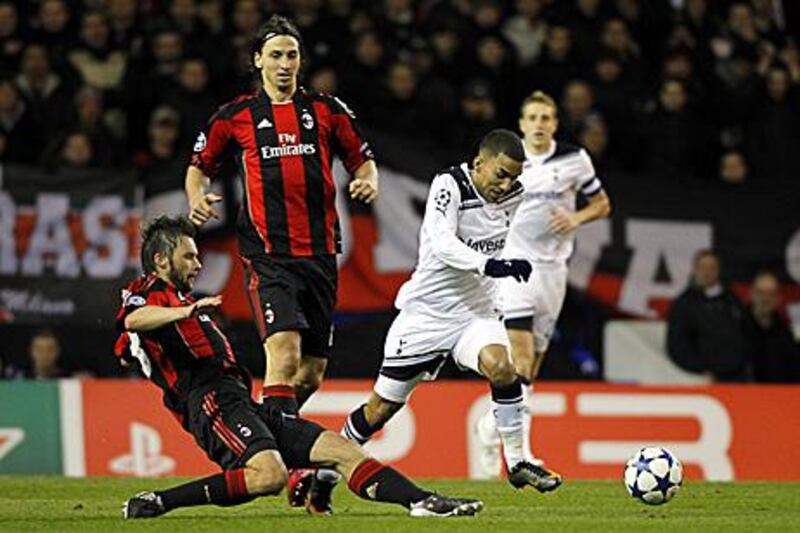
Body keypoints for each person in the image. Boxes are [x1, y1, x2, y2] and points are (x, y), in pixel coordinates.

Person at [116, 215, 482, 519]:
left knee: (341, 450)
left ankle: (421, 502)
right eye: (188, 257)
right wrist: (184, 312)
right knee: (269, 475)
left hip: (239, 401)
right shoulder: (148, 290)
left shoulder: (180, 300)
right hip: (211, 404)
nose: (197, 265)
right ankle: (159, 502)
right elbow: (134, 319)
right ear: (161, 259)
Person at [184, 15, 378, 511]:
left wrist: (368, 179)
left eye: (292, 54)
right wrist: (197, 198)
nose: (285, 63)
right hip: (268, 257)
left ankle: (262, 434)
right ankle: (280, 467)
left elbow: (362, 158)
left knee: (309, 376)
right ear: (258, 61)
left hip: (320, 257)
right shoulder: (236, 116)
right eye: (275, 54)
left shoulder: (326, 110)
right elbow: (198, 168)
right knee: (284, 357)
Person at [336, 129, 560, 499]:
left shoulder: (516, 196)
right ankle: (327, 474)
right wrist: (492, 265)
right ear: (479, 164)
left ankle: (519, 462)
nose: (506, 185)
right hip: (427, 316)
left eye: (514, 178)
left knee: (502, 367)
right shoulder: (449, 185)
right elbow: (442, 244)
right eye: (500, 174)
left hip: (476, 314)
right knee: (380, 410)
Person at [475, 91, 611, 480]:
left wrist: (576, 218)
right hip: (514, 267)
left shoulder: (574, 159)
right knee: (518, 357)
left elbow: (602, 204)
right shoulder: (508, 162)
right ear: (521, 123)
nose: (538, 124)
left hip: (554, 271)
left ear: (555, 123)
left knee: (531, 368)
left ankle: (488, 426)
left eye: (545, 117)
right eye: (532, 116)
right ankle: (523, 455)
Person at [666, 250, 748, 381]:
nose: (707, 272)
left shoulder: (732, 299)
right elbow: (676, 345)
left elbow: (745, 332)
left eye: (712, 268)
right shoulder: (683, 304)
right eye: (702, 267)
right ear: (695, 269)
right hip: (702, 377)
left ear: (718, 270)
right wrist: (699, 368)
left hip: (738, 375)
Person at [742, 271, 800, 383]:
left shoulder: (785, 332)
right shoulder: (736, 327)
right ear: (752, 294)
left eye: (771, 294)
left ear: (778, 298)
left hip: (780, 395)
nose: (766, 299)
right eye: (761, 293)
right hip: (744, 394)